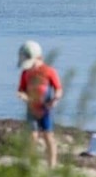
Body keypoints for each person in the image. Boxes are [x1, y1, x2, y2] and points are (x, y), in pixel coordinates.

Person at [17, 40, 62, 168]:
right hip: (31, 108)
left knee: (48, 136)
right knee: (32, 136)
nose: (31, 67)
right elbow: (21, 89)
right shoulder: (25, 73)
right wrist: (23, 96)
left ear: (40, 58)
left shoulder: (49, 71)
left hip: (46, 108)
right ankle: (31, 164)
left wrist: (55, 100)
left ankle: (51, 166)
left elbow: (58, 88)